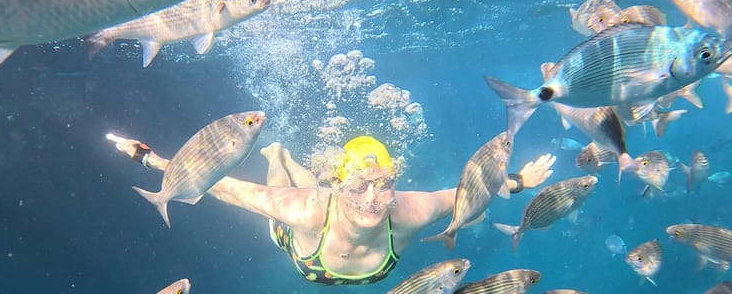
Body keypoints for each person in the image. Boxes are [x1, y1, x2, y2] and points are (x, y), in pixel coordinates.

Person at [108, 134, 555, 285]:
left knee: (323, 194)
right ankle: (278, 155)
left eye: (383, 185)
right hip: (300, 239)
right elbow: (226, 188)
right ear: (345, 183)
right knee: (276, 194)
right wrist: (150, 159)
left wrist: (519, 183)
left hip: (326, 206)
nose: (372, 199)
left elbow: (464, 193)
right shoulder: (305, 211)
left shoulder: (408, 211)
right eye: (360, 185)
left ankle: (297, 164)